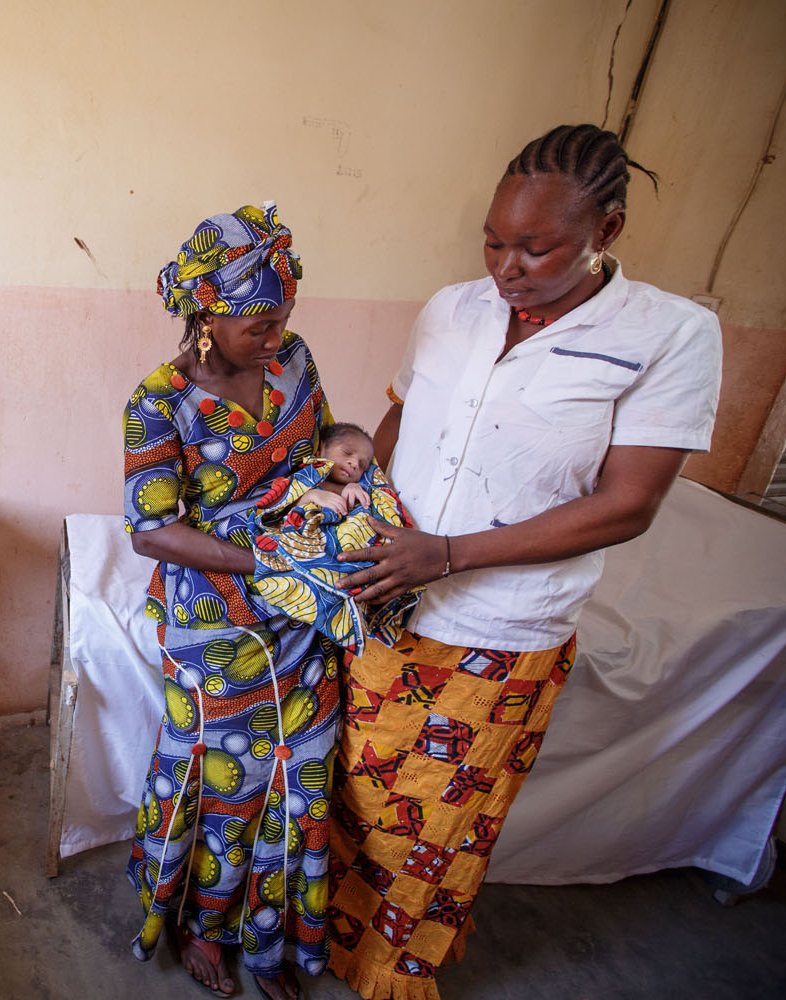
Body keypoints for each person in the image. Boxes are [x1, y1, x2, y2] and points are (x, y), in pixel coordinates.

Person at [324, 124, 722, 1000]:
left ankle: (394, 968)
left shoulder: (670, 336)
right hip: (385, 595)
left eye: (537, 248)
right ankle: (327, 935)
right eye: (495, 242)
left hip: (502, 631)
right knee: (355, 788)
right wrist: (363, 502)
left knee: (438, 821)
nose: (508, 266)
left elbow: (627, 504)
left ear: (606, 232)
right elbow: (403, 419)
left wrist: (451, 554)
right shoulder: (451, 308)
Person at [123, 202, 333, 1000]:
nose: (275, 337)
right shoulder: (159, 401)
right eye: (258, 325)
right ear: (206, 318)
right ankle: (205, 929)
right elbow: (151, 531)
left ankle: (271, 939)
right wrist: (262, 562)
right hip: (214, 622)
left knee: (298, 779)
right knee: (227, 782)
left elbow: (325, 444)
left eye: (283, 319)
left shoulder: (295, 363)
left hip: (304, 611)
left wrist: (352, 474)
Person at [250, 421, 422, 658]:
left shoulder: (358, 487)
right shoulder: (305, 480)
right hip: (303, 551)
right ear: (321, 450)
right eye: (347, 453)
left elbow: (371, 515)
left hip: (343, 559)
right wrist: (312, 496)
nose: (354, 463)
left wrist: (355, 492)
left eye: (362, 464)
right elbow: (272, 514)